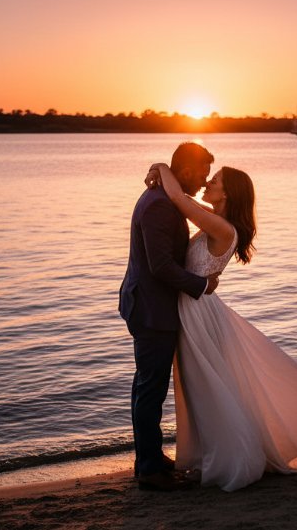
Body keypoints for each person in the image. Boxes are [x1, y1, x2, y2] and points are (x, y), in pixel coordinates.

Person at [145, 161, 297, 492]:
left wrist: (161, 165)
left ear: (227, 193)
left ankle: (230, 459)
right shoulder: (217, 225)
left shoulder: (225, 229)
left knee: (206, 387)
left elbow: (178, 198)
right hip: (196, 309)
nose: (208, 181)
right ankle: (211, 454)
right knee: (203, 388)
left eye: (216, 180)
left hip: (198, 314)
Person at [119, 141, 221, 491]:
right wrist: (202, 284)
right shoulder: (160, 206)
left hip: (151, 305)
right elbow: (160, 266)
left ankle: (150, 457)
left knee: (148, 386)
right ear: (188, 170)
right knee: (150, 388)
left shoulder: (167, 197)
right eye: (203, 173)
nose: (204, 180)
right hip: (151, 308)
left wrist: (160, 166)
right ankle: (148, 468)